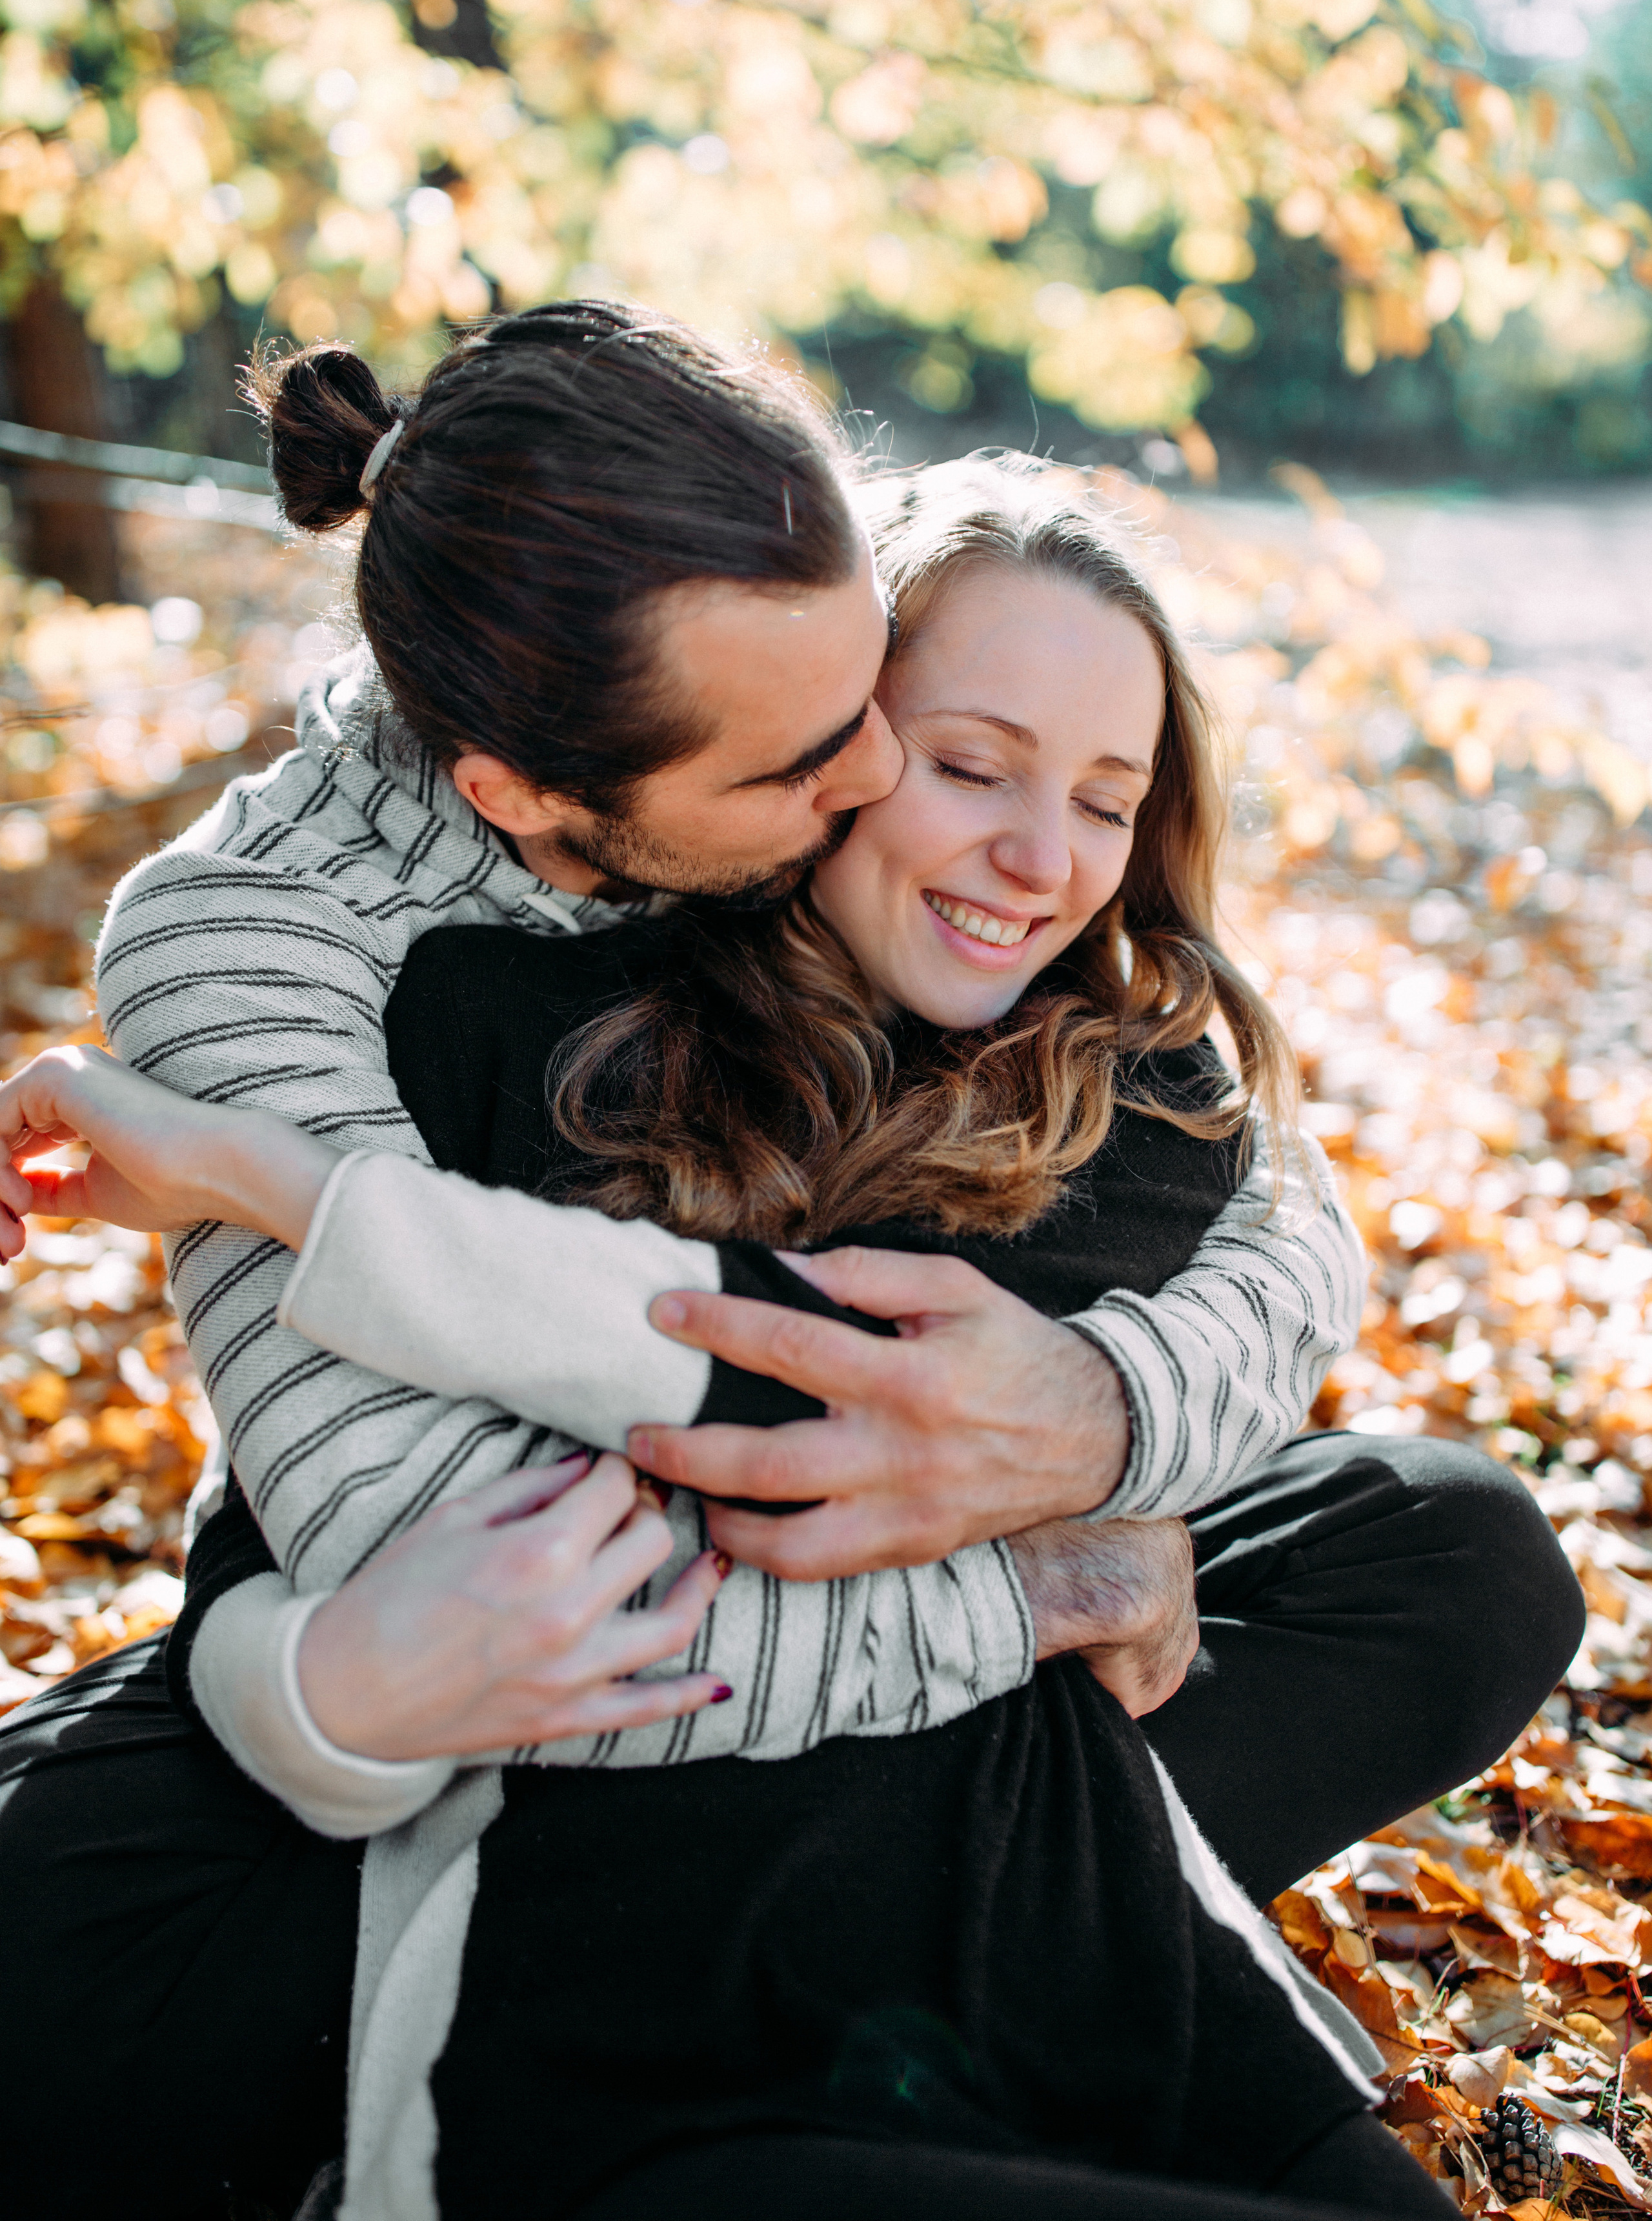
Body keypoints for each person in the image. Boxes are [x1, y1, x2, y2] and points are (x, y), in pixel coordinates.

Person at [1, 458, 1578, 2221]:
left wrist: (1110, 1418)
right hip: (581, 1959)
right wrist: (1028, 1582)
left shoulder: (1101, 1090)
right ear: (823, 746)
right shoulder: (524, 989)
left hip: (995, 1890)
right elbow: (544, 1533)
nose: (1043, 856)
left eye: (1107, 800)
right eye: (969, 764)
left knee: (1449, 1544)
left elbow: (1231, 1213)